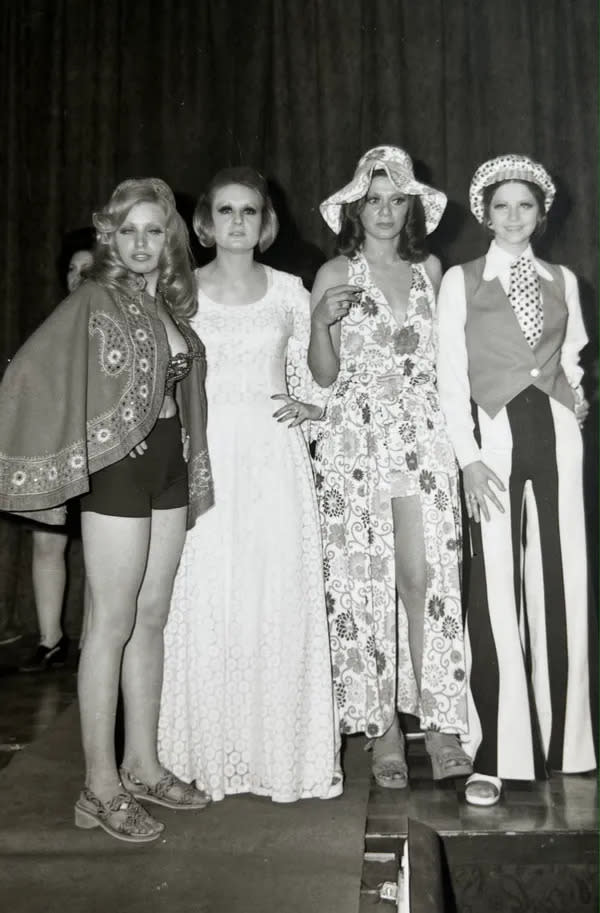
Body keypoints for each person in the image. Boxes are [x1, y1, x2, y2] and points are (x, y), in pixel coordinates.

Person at [0, 178, 214, 841]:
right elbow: (30, 372)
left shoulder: (174, 308)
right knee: (110, 623)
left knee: (150, 617)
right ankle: (99, 786)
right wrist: (87, 443)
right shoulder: (95, 299)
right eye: (129, 231)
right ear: (111, 239)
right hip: (120, 472)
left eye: (154, 230)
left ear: (169, 237)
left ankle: (142, 764)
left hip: (169, 470)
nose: (143, 243)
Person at [157, 166, 341, 803]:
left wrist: (315, 407)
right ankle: (201, 752)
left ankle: (281, 758)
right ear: (205, 223)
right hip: (204, 458)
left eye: (250, 212)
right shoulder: (178, 290)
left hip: (272, 459)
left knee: (275, 594)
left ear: (267, 225)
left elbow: (319, 380)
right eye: (226, 211)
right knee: (205, 592)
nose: (238, 222)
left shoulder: (291, 290)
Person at [436, 154, 597, 806]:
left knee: (562, 586)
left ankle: (567, 743)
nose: (513, 216)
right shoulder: (461, 280)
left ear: (542, 212)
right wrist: (468, 456)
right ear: (485, 212)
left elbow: (571, 358)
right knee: (495, 592)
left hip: (557, 440)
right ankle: (497, 753)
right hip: (493, 445)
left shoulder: (563, 277)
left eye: (524, 205)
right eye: (500, 206)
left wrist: (576, 400)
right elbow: (450, 375)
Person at [308, 146, 471, 789]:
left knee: (424, 576)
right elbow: (323, 375)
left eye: (394, 199)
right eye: (372, 199)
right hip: (357, 439)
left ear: (411, 208)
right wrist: (322, 322)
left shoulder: (431, 268)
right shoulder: (333, 272)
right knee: (368, 579)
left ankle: (441, 724)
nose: (383, 211)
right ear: (357, 207)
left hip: (424, 436)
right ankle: (383, 733)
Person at [20, 231, 95, 673]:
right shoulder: (50, 324)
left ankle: (92, 647)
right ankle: (49, 641)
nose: (77, 276)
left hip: (98, 453)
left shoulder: (115, 320)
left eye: (87, 268)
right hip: (53, 450)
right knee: (46, 542)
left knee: (99, 552)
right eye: (71, 268)